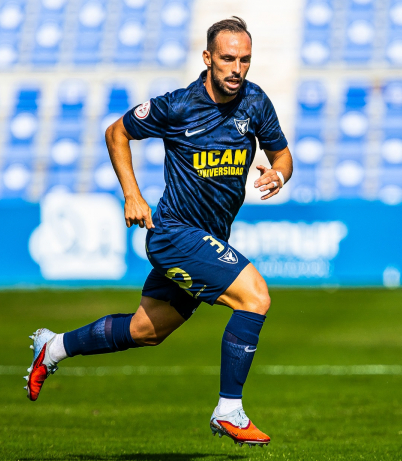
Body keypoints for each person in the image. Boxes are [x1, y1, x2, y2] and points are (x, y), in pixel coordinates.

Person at [24, 16, 293, 448]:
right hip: (174, 234)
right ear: (207, 58)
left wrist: (278, 176)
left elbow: (283, 156)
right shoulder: (177, 105)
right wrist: (132, 194)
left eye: (244, 60)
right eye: (227, 59)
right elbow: (117, 132)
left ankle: (53, 347)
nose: (236, 69)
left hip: (209, 238)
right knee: (255, 297)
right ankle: (229, 410)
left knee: (146, 331)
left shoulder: (255, 103)